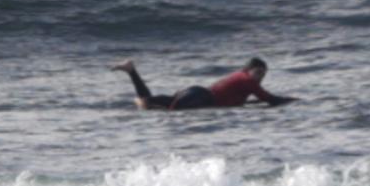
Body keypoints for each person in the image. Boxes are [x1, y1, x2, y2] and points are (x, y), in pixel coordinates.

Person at [112, 57, 297, 110]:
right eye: (258, 72)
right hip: (199, 96)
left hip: (198, 95)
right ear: (248, 70)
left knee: (154, 103)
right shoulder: (247, 80)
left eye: (263, 75)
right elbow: (271, 99)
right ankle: (133, 76)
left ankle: (131, 70)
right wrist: (294, 100)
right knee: (150, 104)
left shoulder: (242, 78)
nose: (260, 77)